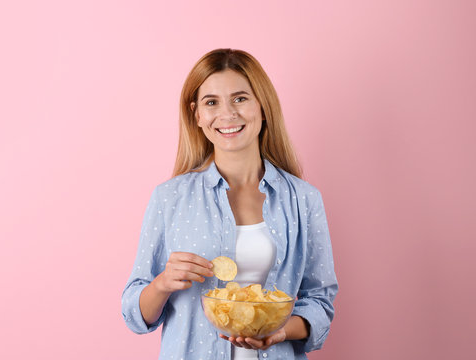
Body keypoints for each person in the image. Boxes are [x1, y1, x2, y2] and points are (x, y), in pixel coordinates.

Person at [122, 48, 338, 360]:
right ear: (197, 115)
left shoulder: (304, 199)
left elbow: (320, 300)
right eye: (212, 102)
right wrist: (163, 283)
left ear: (262, 107)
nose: (228, 114)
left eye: (240, 98)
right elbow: (134, 313)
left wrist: (280, 332)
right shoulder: (169, 198)